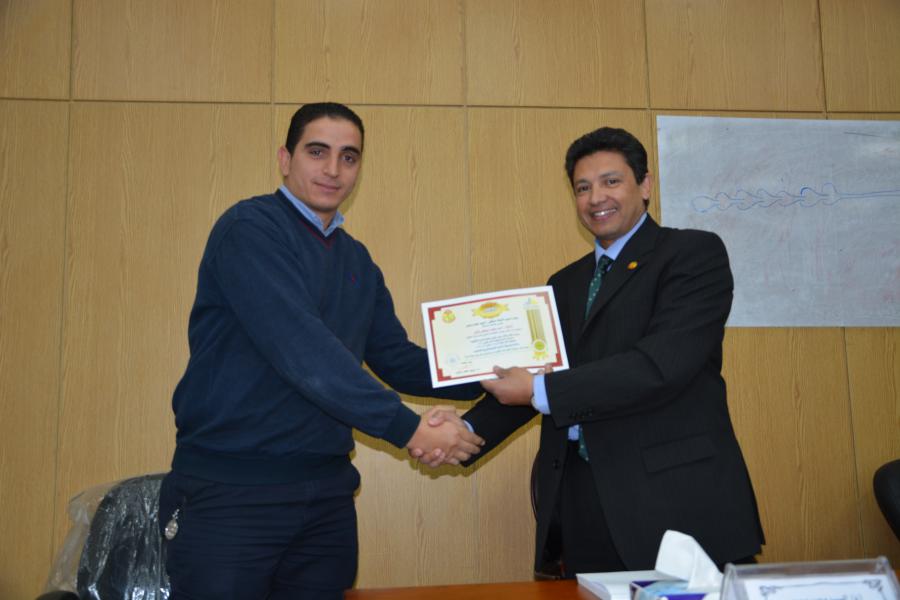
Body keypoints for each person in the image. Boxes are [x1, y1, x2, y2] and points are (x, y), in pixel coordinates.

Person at [159, 102, 484, 600]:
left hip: (327, 498)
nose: (333, 169)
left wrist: (495, 374)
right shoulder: (250, 229)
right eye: (317, 152)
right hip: (233, 494)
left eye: (348, 157)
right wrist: (409, 428)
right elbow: (303, 352)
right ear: (285, 159)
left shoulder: (357, 260)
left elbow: (398, 359)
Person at [429, 126, 764, 577]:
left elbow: (658, 367)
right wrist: (463, 432)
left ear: (644, 185)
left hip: (675, 502)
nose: (595, 198)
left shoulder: (692, 254)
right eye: (582, 187)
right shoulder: (564, 283)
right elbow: (536, 380)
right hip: (582, 502)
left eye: (611, 181)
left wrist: (538, 388)